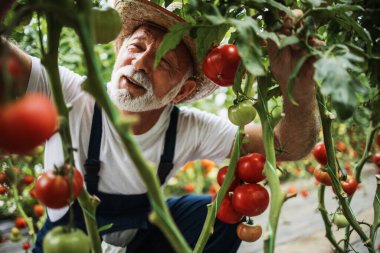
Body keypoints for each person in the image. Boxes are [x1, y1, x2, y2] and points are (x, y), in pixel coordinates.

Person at [1, 0, 320, 252]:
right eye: (136, 48)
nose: (140, 64)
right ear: (118, 53)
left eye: (163, 62)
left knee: (218, 217)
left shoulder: (187, 128)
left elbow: (286, 146)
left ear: (182, 91)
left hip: (135, 242)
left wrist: (300, 93)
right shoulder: (66, 91)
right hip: (63, 246)